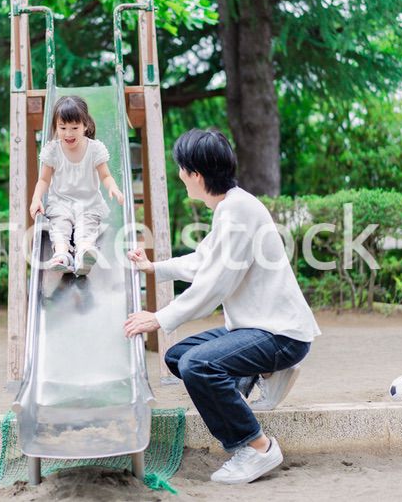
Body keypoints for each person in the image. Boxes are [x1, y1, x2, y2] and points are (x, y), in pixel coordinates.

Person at [124, 128, 320, 485]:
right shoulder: (232, 206)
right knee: (178, 356)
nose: (180, 176)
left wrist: (159, 318)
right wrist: (154, 268)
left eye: (182, 169)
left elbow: (215, 284)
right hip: (256, 327)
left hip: (280, 334)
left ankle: (256, 447)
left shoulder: (237, 212)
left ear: (196, 175)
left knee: (197, 365)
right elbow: (205, 260)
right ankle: (260, 377)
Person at [29, 95, 124, 275]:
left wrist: (113, 187)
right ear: (56, 127)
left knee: (86, 227)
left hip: (88, 203)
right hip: (61, 202)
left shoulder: (95, 149)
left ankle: (84, 255)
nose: (68, 133)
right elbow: (43, 180)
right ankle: (62, 255)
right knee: (59, 226)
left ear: (85, 126)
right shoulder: (52, 150)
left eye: (74, 128)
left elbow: (106, 176)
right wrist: (36, 199)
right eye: (62, 128)